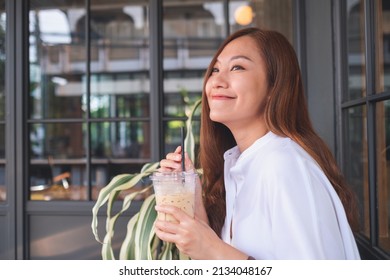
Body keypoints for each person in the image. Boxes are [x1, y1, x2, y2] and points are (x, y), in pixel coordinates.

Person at [155, 27, 361, 260]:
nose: (216, 81)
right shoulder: (240, 165)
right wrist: (198, 216)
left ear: (274, 87)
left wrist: (211, 250)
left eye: (237, 67)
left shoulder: (284, 165)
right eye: (215, 69)